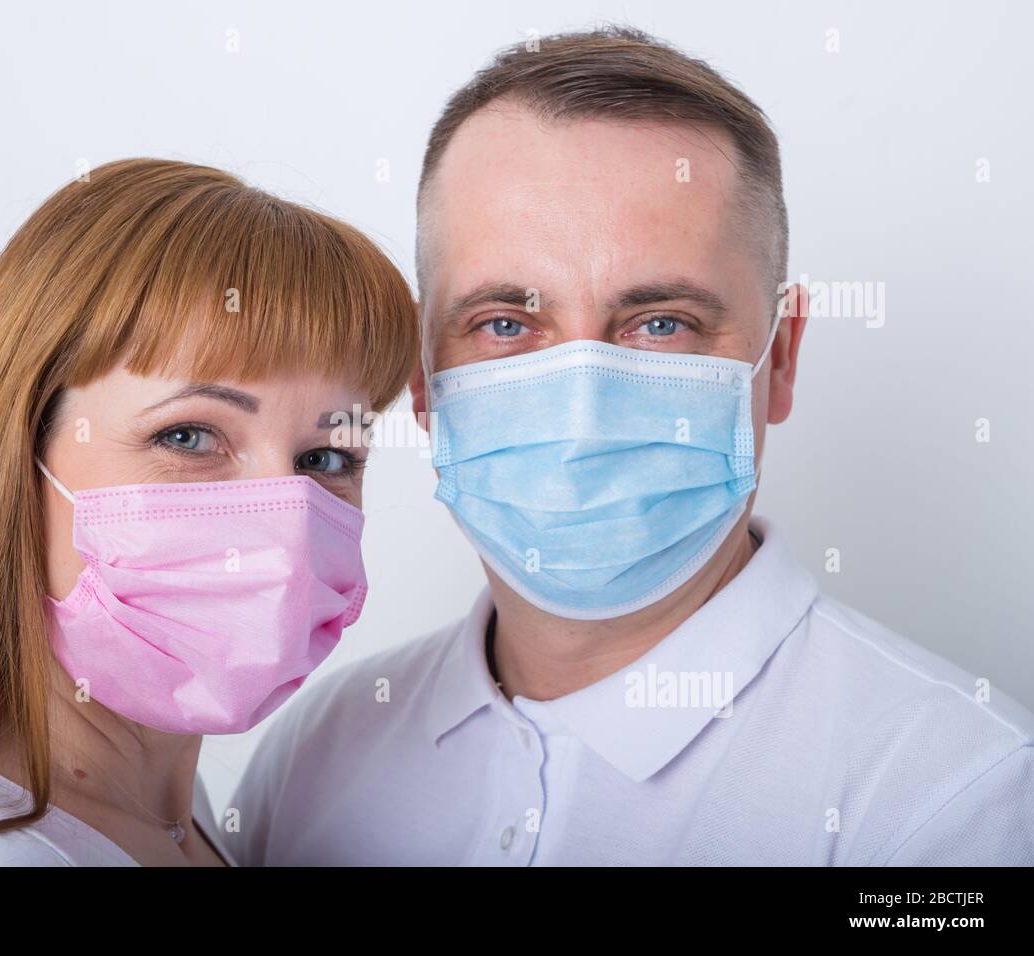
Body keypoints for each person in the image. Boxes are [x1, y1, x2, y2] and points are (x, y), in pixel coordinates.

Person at [228, 27, 1034, 866]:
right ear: (425, 380)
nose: (581, 403)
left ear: (781, 358)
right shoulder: (311, 761)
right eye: (505, 324)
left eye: (660, 324)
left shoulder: (954, 802)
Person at [0, 158, 418, 866]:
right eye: (188, 437)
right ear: (18, 459)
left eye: (326, 458)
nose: (286, 523)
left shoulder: (173, 819)